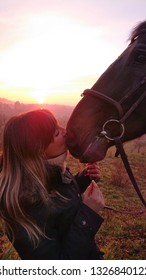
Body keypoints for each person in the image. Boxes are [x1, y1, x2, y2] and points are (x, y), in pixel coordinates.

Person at [0, 109, 105, 260]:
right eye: (56, 133)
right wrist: (87, 214)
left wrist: (83, 178)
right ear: (39, 150)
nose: (65, 132)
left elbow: (58, 198)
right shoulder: (26, 206)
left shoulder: (46, 173)